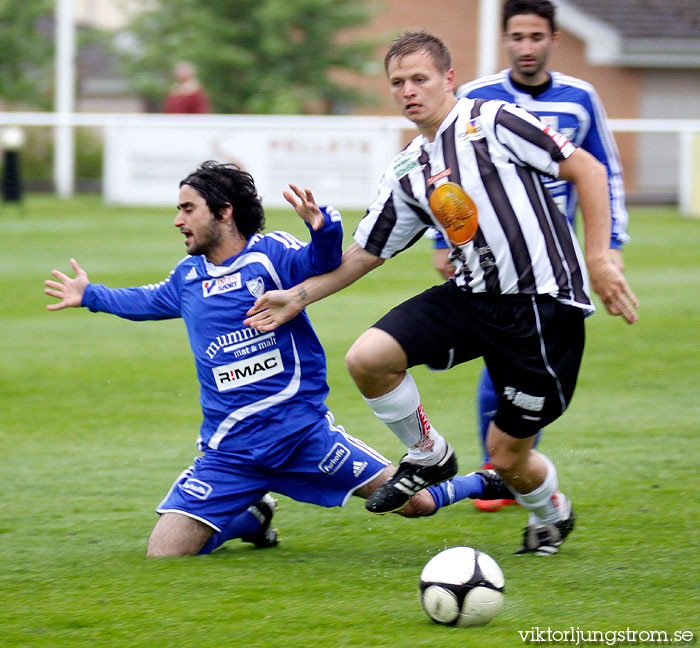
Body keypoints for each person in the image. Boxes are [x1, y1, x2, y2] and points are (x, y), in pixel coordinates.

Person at [245, 32, 639, 556]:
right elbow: (367, 252)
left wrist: (599, 258)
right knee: (369, 358)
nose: (408, 91)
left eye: (419, 79)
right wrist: (298, 295)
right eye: (397, 83)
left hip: (542, 307)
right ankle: (428, 452)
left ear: (448, 79)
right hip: (471, 298)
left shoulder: (493, 120)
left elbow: (586, 169)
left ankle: (551, 514)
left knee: (507, 457)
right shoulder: (408, 167)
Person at [44, 161, 509, 557]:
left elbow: (319, 263)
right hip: (229, 454)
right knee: (163, 553)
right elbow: (144, 302)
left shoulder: (270, 255)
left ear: (224, 212)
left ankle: (481, 482)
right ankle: (252, 518)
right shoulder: (188, 277)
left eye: (188, 209)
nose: (178, 220)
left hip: (303, 438)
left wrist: (325, 230)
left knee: (416, 504)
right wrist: (91, 295)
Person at [432, 0, 632, 513]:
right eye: (517, 37)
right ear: (505, 39)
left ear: (553, 40)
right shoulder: (477, 97)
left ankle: (513, 468)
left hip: (555, 261)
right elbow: (444, 170)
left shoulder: (580, 98)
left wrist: (608, 248)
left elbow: (603, 172)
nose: (526, 47)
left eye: (536, 37)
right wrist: (441, 241)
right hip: (491, 253)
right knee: (501, 362)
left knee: (525, 363)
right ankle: (504, 470)